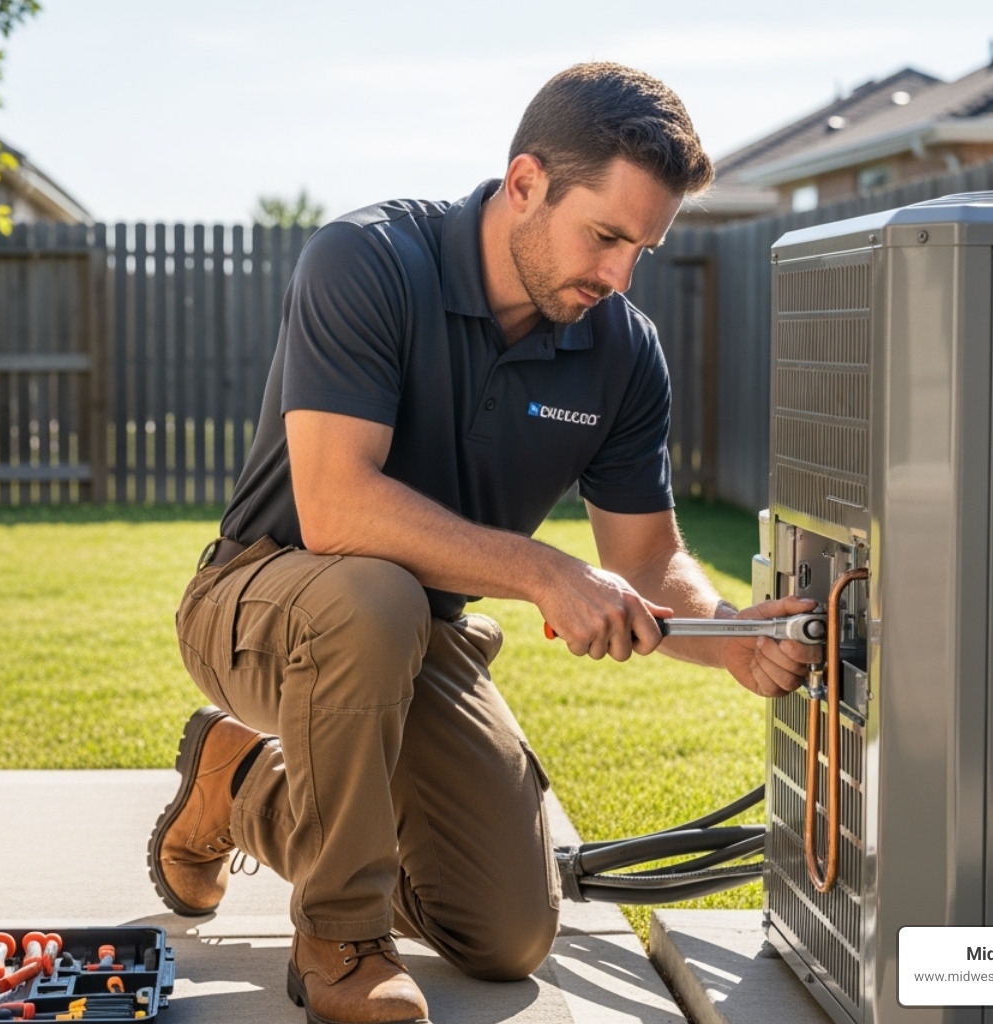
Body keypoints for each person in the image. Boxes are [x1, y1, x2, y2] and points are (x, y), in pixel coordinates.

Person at [148, 62, 820, 1024]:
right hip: (261, 605)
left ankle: (242, 782)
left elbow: (645, 558)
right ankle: (341, 938)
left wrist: (727, 633)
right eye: (606, 236)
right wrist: (545, 573)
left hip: (417, 639)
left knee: (505, 934)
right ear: (524, 184)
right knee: (370, 595)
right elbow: (337, 509)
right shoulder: (368, 260)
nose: (621, 274)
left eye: (644, 248)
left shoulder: (622, 351)